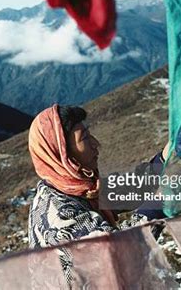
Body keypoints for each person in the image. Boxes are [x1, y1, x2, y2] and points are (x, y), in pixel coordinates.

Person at [27, 104, 168, 250]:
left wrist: (164, 159)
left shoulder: (73, 187)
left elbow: (127, 190)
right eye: (85, 138)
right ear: (62, 153)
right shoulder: (61, 213)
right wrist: (161, 200)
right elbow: (121, 252)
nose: (96, 144)